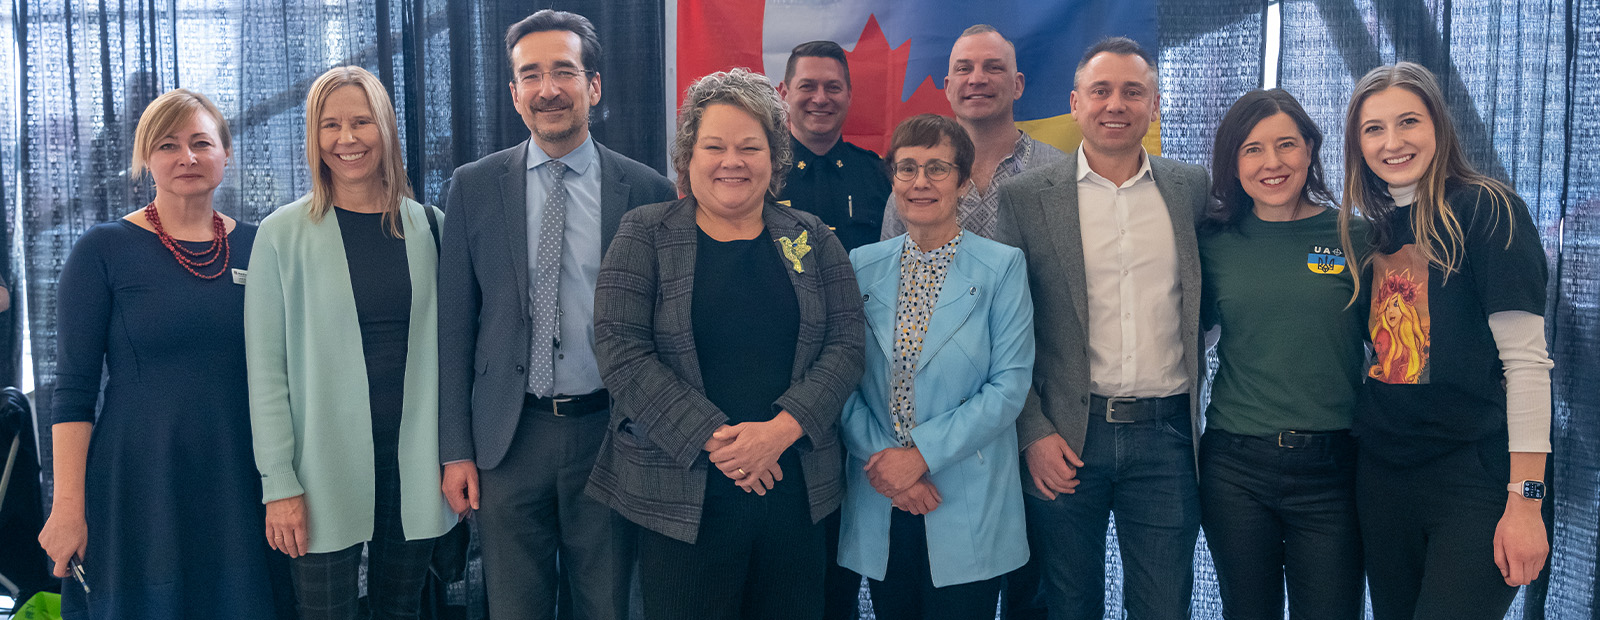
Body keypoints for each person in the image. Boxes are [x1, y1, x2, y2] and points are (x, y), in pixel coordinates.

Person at [586, 68, 865, 620]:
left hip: (793, 489)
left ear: (774, 156)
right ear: (688, 155)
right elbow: (621, 350)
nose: (731, 161)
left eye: (749, 146)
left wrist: (779, 433)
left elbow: (847, 344)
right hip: (681, 493)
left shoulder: (810, 235)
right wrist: (724, 444)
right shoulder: (644, 232)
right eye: (714, 146)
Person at [436, 10, 676, 620]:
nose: (548, 89)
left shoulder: (646, 190)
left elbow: (667, 328)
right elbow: (453, 331)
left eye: (564, 72)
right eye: (531, 75)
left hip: (612, 433)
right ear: (514, 92)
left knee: (610, 606)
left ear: (593, 86)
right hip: (508, 441)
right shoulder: (473, 187)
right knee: (515, 608)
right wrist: (455, 449)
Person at [39, 88, 284, 620]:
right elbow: (74, 392)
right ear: (146, 159)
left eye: (201, 142)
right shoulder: (102, 250)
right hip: (139, 484)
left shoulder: (264, 246)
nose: (187, 157)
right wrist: (67, 508)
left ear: (226, 153)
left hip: (242, 477)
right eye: (168, 145)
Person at [994, 36, 1209, 620]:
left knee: (1165, 606)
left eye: (1133, 91)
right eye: (1101, 90)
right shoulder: (1022, 200)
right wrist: (1031, 432)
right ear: (1075, 103)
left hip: (1166, 438)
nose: (1116, 103)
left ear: (1154, 105)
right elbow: (1002, 331)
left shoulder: (1193, 190)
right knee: (1066, 605)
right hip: (1063, 437)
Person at [1338, 61, 1552, 620]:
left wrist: (1526, 503)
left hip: (1472, 478)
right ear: (1357, 144)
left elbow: (1527, 365)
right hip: (1383, 476)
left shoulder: (1488, 209)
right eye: (1374, 128)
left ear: (1439, 125)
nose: (1393, 142)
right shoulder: (1374, 229)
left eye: (1408, 121)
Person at [245, 65, 453, 620]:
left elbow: (458, 355)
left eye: (362, 121)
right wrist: (279, 483)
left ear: (385, 129)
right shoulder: (280, 235)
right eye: (330, 125)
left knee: (400, 610)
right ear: (313, 138)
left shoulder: (431, 225)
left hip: (416, 464)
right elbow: (267, 374)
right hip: (317, 471)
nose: (347, 138)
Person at [838, 113, 1034, 619]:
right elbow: (838, 378)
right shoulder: (860, 264)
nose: (920, 182)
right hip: (881, 487)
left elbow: (1009, 387)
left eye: (937, 168)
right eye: (907, 168)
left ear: (964, 181)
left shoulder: (1003, 266)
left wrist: (918, 458)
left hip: (964, 493)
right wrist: (892, 467)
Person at [1197, 89, 1366, 620]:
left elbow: (1397, 347)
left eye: (1286, 145)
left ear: (1311, 149)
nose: (1272, 163)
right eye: (1252, 149)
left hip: (1334, 470)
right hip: (1235, 468)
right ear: (1233, 161)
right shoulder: (1212, 242)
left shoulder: (1355, 236)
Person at [881, 24, 1065, 242]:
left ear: (1018, 85)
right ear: (948, 88)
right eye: (963, 69)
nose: (977, 79)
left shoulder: (1058, 173)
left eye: (994, 67)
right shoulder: (913, 181)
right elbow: (891, 266)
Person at [775, 40, 891, 252]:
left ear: (848, 95)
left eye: (833, 87)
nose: (820, 99)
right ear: (784, 94)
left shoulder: (880, 176)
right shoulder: (763, 175)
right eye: (807, 86)